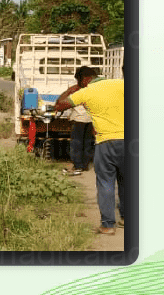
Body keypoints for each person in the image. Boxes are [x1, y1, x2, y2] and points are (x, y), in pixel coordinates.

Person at [54, 77, 125, 235]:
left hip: (106, 142)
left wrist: (71, 90)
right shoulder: (122, 84)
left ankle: (107, 225)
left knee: (106, 182)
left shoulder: (88, 91)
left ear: (85, 81)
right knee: (126, 181)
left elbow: (59, 105)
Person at [58, 66, 99, 175]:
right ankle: (84, 165)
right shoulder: (93, 89)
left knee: (76, 143)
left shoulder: (77, 89)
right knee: (87, 143)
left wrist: (68, 91)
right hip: (89, 119)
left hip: (79, 119)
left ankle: (77, 165)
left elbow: (62, 103)